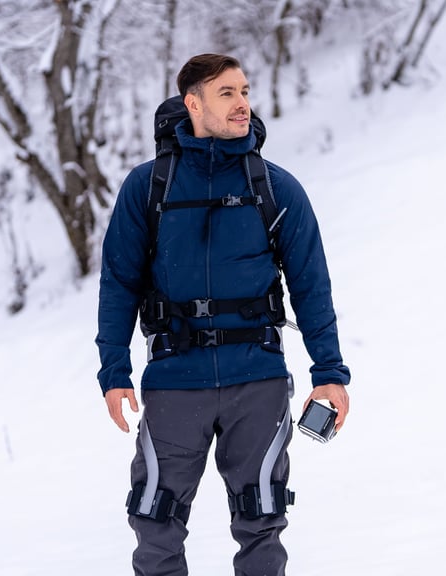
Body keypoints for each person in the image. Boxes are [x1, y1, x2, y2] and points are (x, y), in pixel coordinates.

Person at [96, 53, 351, 576]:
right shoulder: (147, 188)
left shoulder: (275, 186)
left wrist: (329, 372)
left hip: (256, 377)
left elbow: (311, 284)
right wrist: (113, 372)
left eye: (245, 91)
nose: (243, 104)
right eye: (227, 93)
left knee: (262, 516)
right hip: (173, 378)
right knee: (155, 515)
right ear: (194, 103)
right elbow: (118, 283)